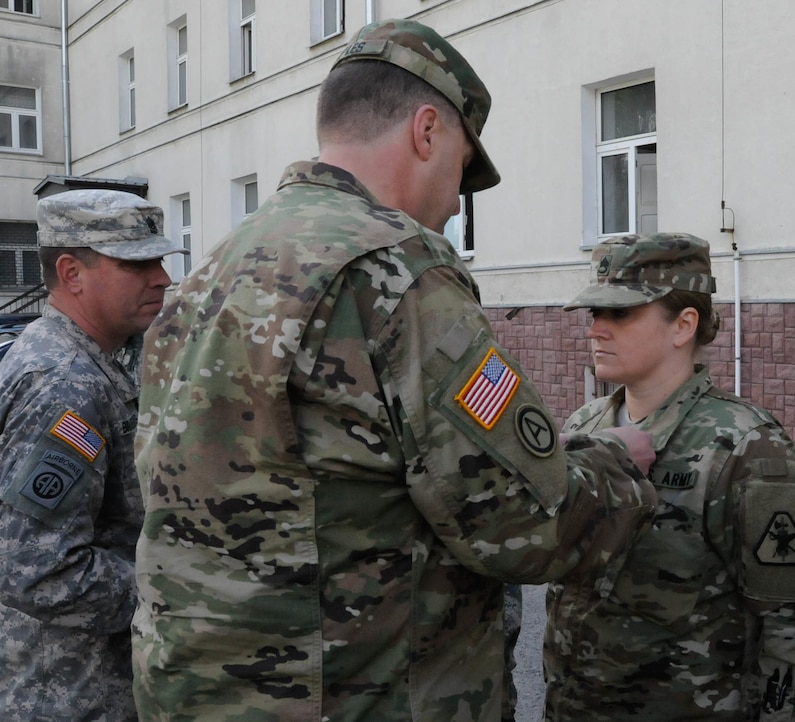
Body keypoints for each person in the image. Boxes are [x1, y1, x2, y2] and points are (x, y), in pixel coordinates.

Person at [132, 18, 658, 722]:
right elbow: (523, 524)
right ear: (428, 131)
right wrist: (618, 462)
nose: (455, 202)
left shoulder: (211, 273)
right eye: (463, 172)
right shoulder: (395, 270)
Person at [543, 232, 795, 720]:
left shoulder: (747, 445)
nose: (595, 330)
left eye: (619, 314)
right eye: (593, 314)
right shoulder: (584, 427)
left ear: (684, 325)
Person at [0, 189, 185, 720]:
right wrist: (175, 587)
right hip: (70, 692)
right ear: (71, 273)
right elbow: (40, 570)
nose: (163, 279)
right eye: (138, 263)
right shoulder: (65, 384)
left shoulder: (90, 358)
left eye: (160, 260)